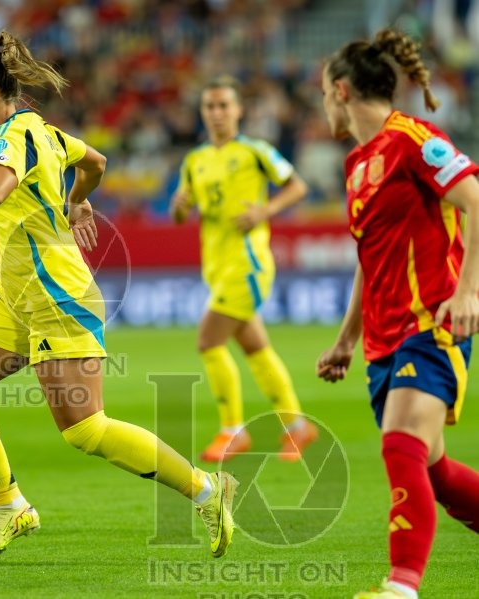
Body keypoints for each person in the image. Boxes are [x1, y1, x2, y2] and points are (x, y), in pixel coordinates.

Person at [0, 30, 238, 561]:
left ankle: (205, 488)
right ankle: (10, 506)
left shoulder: (9, 137)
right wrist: (74, 202)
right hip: (16, 297)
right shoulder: (45, 131)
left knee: (85, 430)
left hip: (59, 296)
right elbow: (97, 163)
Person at [316, 29, 479, 599]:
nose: (322, 105)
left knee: (401, 441)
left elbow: (475, 200)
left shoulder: (414, 139)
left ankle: (401, 587)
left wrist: (467, 293)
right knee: (430, 468)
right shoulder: (358, 162)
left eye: (323, 94)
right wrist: (345, 339)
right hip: (383, 339)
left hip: (431, 323)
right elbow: (371, 256)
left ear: (340, 90)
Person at [170, 75, 318, 463]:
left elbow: (297, 186)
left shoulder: (256, 151)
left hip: (248, 264)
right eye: (210, 107)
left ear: (238, 110)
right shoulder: (194, 160)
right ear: (203, 113)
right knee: (255, 347)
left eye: (223, 105)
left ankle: (232, 430)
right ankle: (298, 427)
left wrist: (264, 211)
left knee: (209, 340)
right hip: (216, 265)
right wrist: (180, 205)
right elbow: (181, 215)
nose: (217, 113)